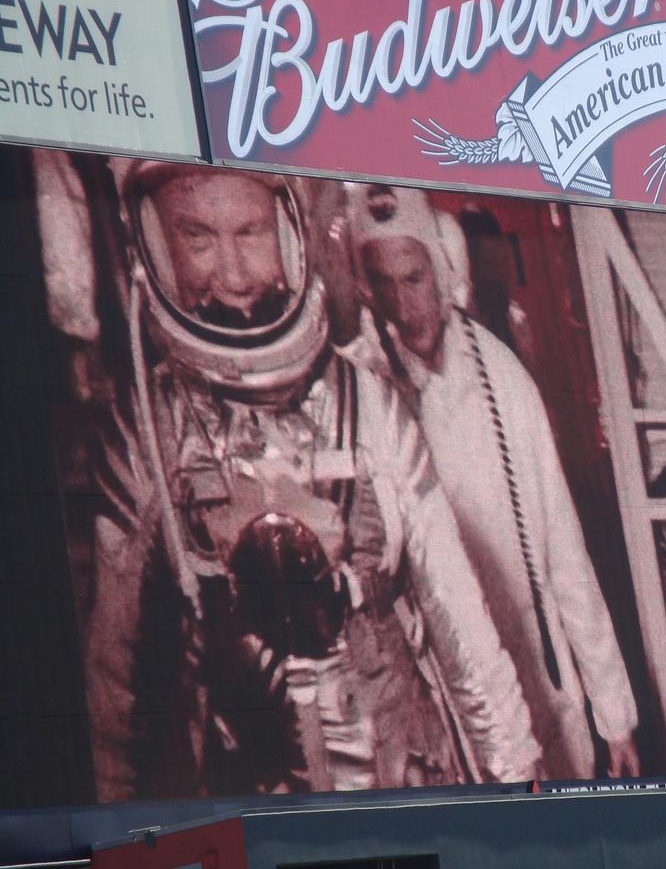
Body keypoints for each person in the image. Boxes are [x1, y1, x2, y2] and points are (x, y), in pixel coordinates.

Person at [84, 162, 540, 800]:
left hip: (397, 766)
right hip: (242, 783)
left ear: (291, 233)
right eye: (197, 240)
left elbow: (459, 618)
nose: (234, 273)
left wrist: (515, 778)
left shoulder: (369, 406)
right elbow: (112, 684)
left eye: (250, 233)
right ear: (157, 247)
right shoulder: (147, 433)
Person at [344, 185, 640, 779]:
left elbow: (567, 561)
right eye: (384, 283)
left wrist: (616, 716)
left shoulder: (505, 382)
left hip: (538, 688)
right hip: (429, 711)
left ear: (445, 268)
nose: (403, 305)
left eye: (415, 279)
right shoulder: (352, 395)